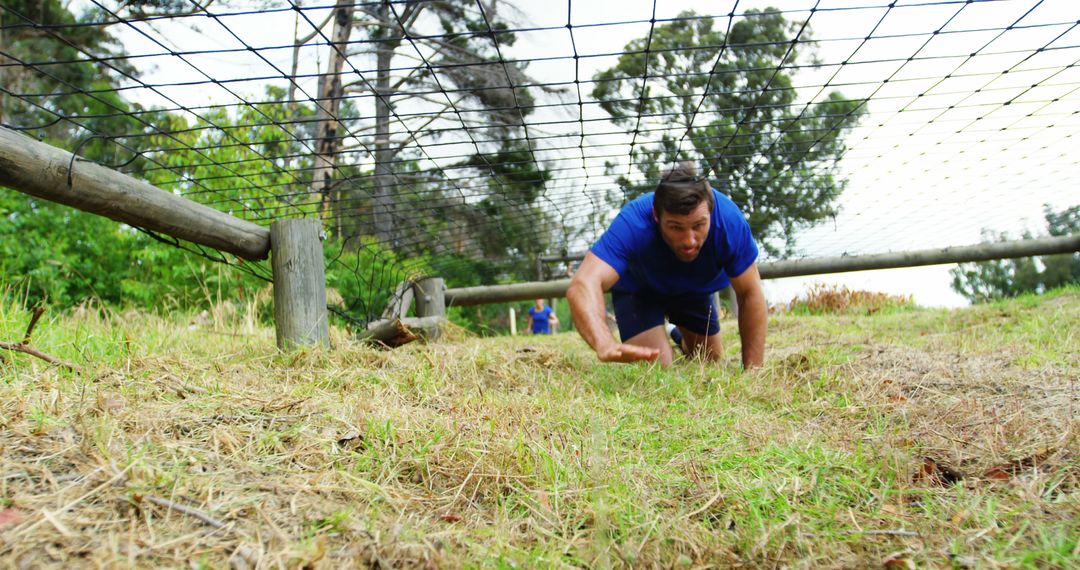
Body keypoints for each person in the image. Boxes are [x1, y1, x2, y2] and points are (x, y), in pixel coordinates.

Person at [566, 162, 767, 369]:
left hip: (693, 292)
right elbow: (583, 283)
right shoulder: (633, 221)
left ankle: (675, 334)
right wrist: (604, 343)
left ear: (711, 211)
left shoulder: (729, 221)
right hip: (639, 292)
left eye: (699, 225)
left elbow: (750, 291)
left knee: (709, 361)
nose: (689, 240)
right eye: (675, 227)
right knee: (659, 366)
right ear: (656, 216)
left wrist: (754, 370)